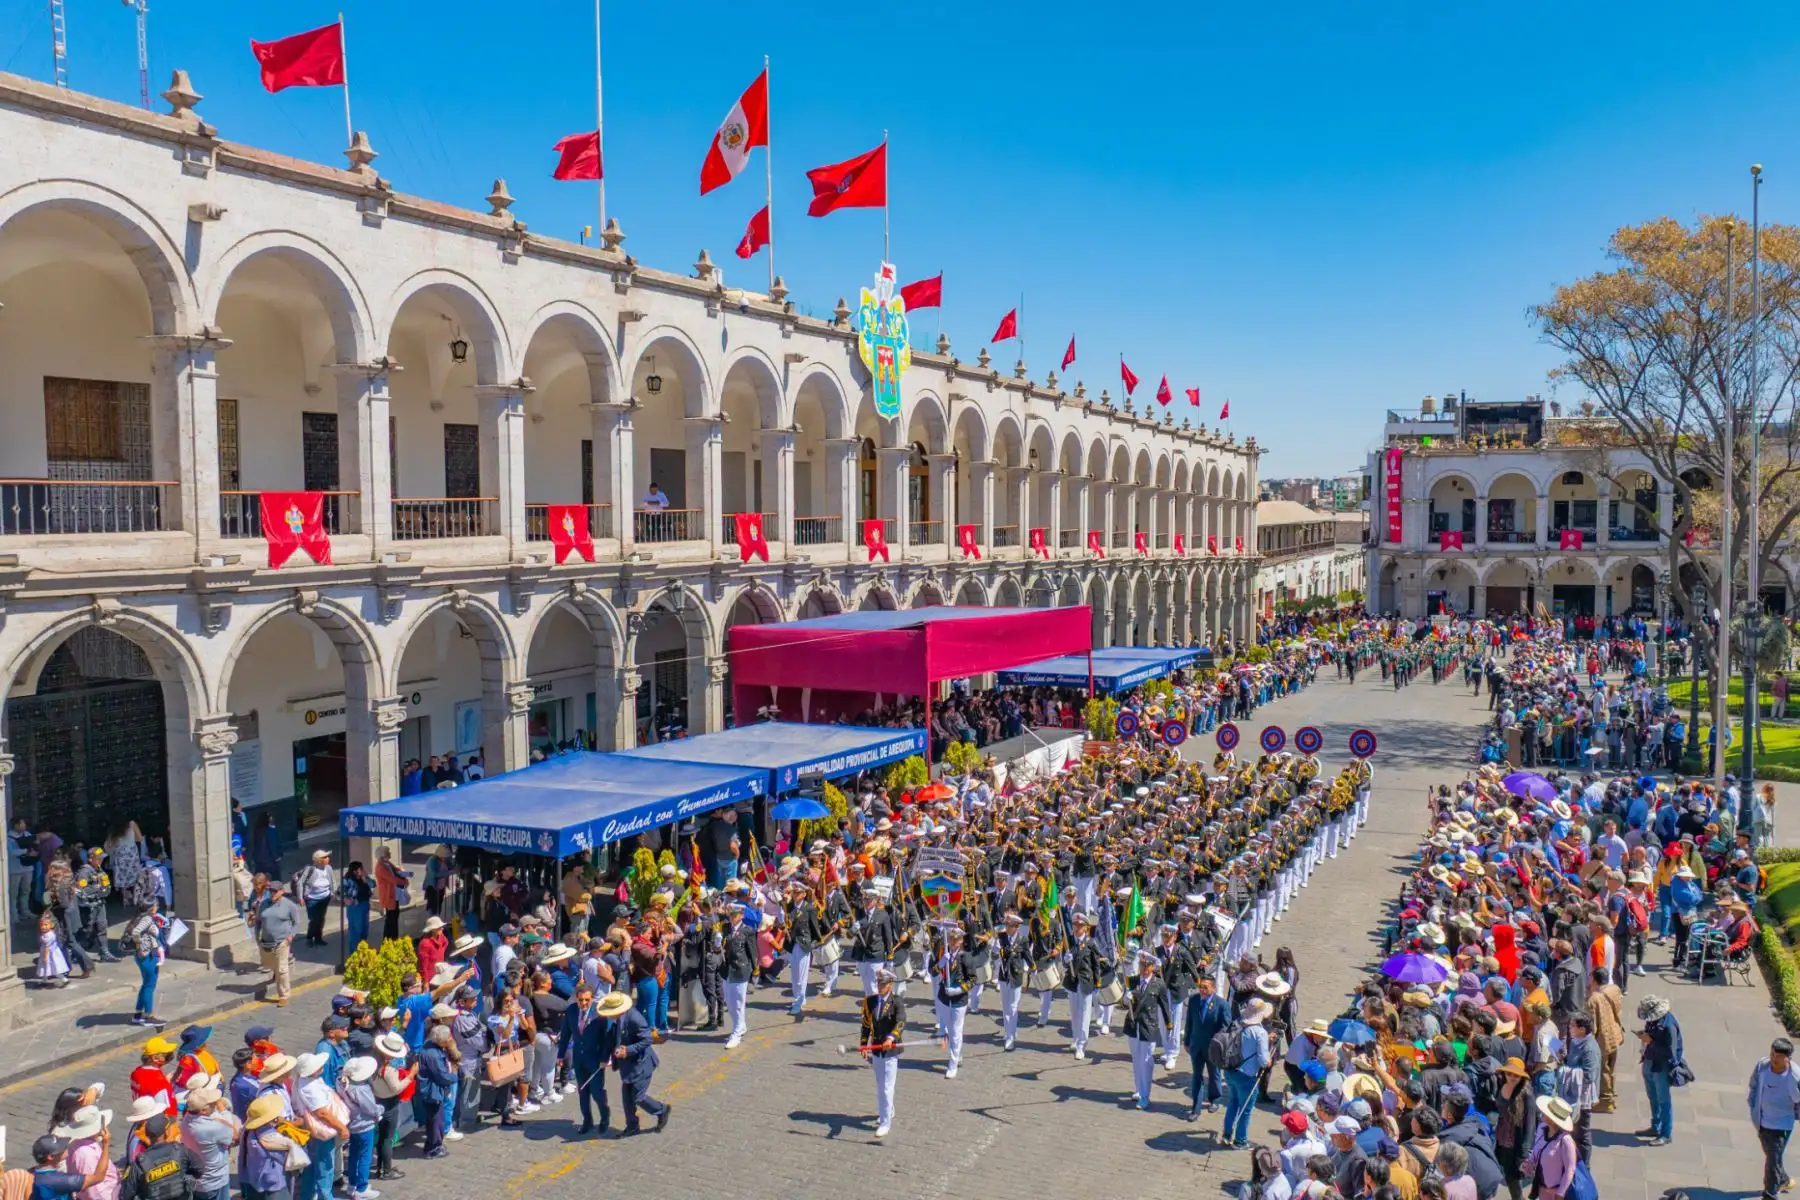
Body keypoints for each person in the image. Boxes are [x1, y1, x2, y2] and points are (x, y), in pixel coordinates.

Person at [559, 983, 619, 1136]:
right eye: (581, 1000)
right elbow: (565, 1034)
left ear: (592, 998)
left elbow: (607, 1037)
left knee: (597, 1092)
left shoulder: (600, 1012)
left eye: (587, 1000)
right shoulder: (571, 1010)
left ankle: (604, 1117)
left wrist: (605, 1058)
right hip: (579, 1058)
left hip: (595, 1059)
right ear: (576, 999)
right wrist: (560, 1055)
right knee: (582, 1090)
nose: (584, 1003)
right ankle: (587, 1120)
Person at [609, 990, 670, 1135]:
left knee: (638, 1097)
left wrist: (627, 1050)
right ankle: (632, 1126)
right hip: (627, 1065)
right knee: (627, 1098)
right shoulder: (616, 1019)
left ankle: (661, 1109)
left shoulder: (635, 1018)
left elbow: (647, 1039)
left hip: (641, 1064)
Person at [1750, 1037, 1800, 1200]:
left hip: (1781, 1125)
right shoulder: (1762, 1067)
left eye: (1778, 1056)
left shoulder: (1795, 1077)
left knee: (1772, 1161)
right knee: (1772, 1156)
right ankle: (1783, 1179)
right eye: (1772, 1054)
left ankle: (1770, 1194)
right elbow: (1754, 1085)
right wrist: (1752, 1104)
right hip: (1762, 1121)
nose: (1773, 1059)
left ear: (1788, 1058)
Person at [1122, 951, 1172, 1111]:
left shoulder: (1159, 984)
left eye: (1147, 966)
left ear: (1153, 967)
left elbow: (1165, 1006)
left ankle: (1145, 1095)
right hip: (1133, 1024)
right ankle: (1138, 1089)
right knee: (1136, 1059)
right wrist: (1125, 998)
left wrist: (1169, 1025)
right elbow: (1124, 1003)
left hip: (1148, 1025)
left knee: (1146, 1061)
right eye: (1142, 965)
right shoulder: (1133, 981)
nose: (1144, 969)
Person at [1223, 996, 1275, 1149]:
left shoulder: (1237, 1023)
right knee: (1245, 1109)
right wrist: (1269, 1059)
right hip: (1247, 1076)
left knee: (1233, 1103)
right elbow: (1264, 1061)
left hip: (1231, 1070)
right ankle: (1240, 1140)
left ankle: (1227, 1134)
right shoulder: (1260, 1033)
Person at [860, 965, 905, 1139]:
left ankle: (885, 1122)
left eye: (883, 984)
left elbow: (900, 1021)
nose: (879, 987)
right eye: (878, 983)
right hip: (876, 1048)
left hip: (890, 1050)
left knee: (886, 1088)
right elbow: (866, 1024)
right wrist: (864, 1044)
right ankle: (889, 1109)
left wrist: (891, 1038)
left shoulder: (897, 1002)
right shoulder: (870, 1001)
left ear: (890, 985)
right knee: (880, 1084)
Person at [177, 1083, 238, 1200]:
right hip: (214, 1181)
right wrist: (223, 1111)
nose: (215, 1105)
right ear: (204, 1110)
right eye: (213, 1104)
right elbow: (234, 1135)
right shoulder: (210, 1128)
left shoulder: (187, 1119)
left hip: (198, 1180)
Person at [1637, 993, 1683, 1146]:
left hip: (1661, 1067)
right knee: (1653, 1097)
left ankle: (1665, 1134)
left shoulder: (1669, 1026)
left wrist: (1651, 1042)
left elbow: (1671, 1052)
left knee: (1663, 1101)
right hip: (1649, 1061)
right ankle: (1655, 1126)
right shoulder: (1654, 1022)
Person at [116, 1115, 198, 1200]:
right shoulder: (181, 1151)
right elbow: (200, 1169)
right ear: (166, 1133)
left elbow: (125, 1195)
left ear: (147, 1135)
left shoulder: (139, 1163)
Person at [1183, 974, 1231, 1119]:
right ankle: (1195, 1108)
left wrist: (1218, 1043)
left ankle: (1214, 1099)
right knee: (1197, 1076)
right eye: (1200, 987)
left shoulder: (1221, 1004)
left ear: (1213, 988)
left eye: (1206, 987)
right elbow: (1189, 1022)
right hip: (1196, 1046)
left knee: (1214, 1074)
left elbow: (1226, 1027)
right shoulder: (1194, 1000)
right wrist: (1186, 1041)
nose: (1202, 990)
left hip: (1213, 1047)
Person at [337, 1057, 381, 1200]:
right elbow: (371, 1108)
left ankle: (352, 1185)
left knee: (353, 1156)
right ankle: (362, 1188)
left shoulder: (341, 1083)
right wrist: (380, 1109)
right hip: (364, 1125)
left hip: (352, 1124)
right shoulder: (361, 1089)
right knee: (365, 1157)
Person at [30, 1128, 114, 1200]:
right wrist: (106, 1144)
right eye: (61, 1148)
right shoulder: (60, 1180)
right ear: (51, 1157)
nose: (66, 1147)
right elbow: (98, 1177)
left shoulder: (32, 1172)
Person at [1522, 1097, 1579, 1200]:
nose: (1542, 1112)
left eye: (1546, 1112)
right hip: (1542, 1188)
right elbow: (1537, 1149)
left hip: (1558, 1192)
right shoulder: (1541, 1128)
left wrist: (1560, 1194)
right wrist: (1529, 1162)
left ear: (1553, 1119)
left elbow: (1570, 1169)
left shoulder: (1566, 1140)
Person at [255, 882, 302, 1008]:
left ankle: (283, 995)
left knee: (282, 970)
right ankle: (287, 964)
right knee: (271, 966)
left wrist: (290, 937)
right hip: (266, 942)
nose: (272, 893)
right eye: (270, 891)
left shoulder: (289, 905)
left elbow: (296, 923)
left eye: (275, 891)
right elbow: (258, 922)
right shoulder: (263, 904)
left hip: (282, 942)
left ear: (282, 891)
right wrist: (257, 937)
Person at [296, 851, 336, 948]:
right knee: (314, 919)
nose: (328, 858)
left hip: (325, 897)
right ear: (319, 861)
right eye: (325, 857)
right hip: (312, 899)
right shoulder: (310, 869)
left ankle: (318, 938)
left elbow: (333, 881)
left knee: (321, 918)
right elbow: (300, 883)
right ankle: (309, 938)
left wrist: (333, 893)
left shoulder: (329, 868)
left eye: (327, 856)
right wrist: (300, 897)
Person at [373, 850, 409, 944]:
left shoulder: (387, 863)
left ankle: (393, 940)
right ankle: (388, 941)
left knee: (394, 917)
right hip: (388, 896)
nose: (390, 854)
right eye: (388, 853)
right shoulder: (380, 867)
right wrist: (404, 882)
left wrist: (402, 872)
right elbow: (392, 878)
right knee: (391, 919)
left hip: (393, 895)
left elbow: (396, 871)